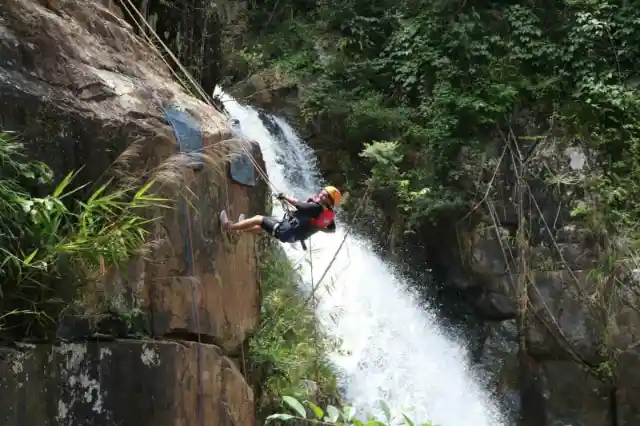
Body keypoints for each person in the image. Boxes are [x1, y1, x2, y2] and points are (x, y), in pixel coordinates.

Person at [220, 186, 342, 244]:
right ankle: (241, 229)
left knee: (258, 219)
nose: (322, 194)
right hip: (291, 235)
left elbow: (300, 205)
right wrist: (318, 227)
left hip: (286, 230)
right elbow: (332, 230)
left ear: (329, 201)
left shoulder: (316, 208)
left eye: (325, 195)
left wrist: (284, 197)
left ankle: (229, 227)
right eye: (323, 192)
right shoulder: (326, 214)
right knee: (263, 227)